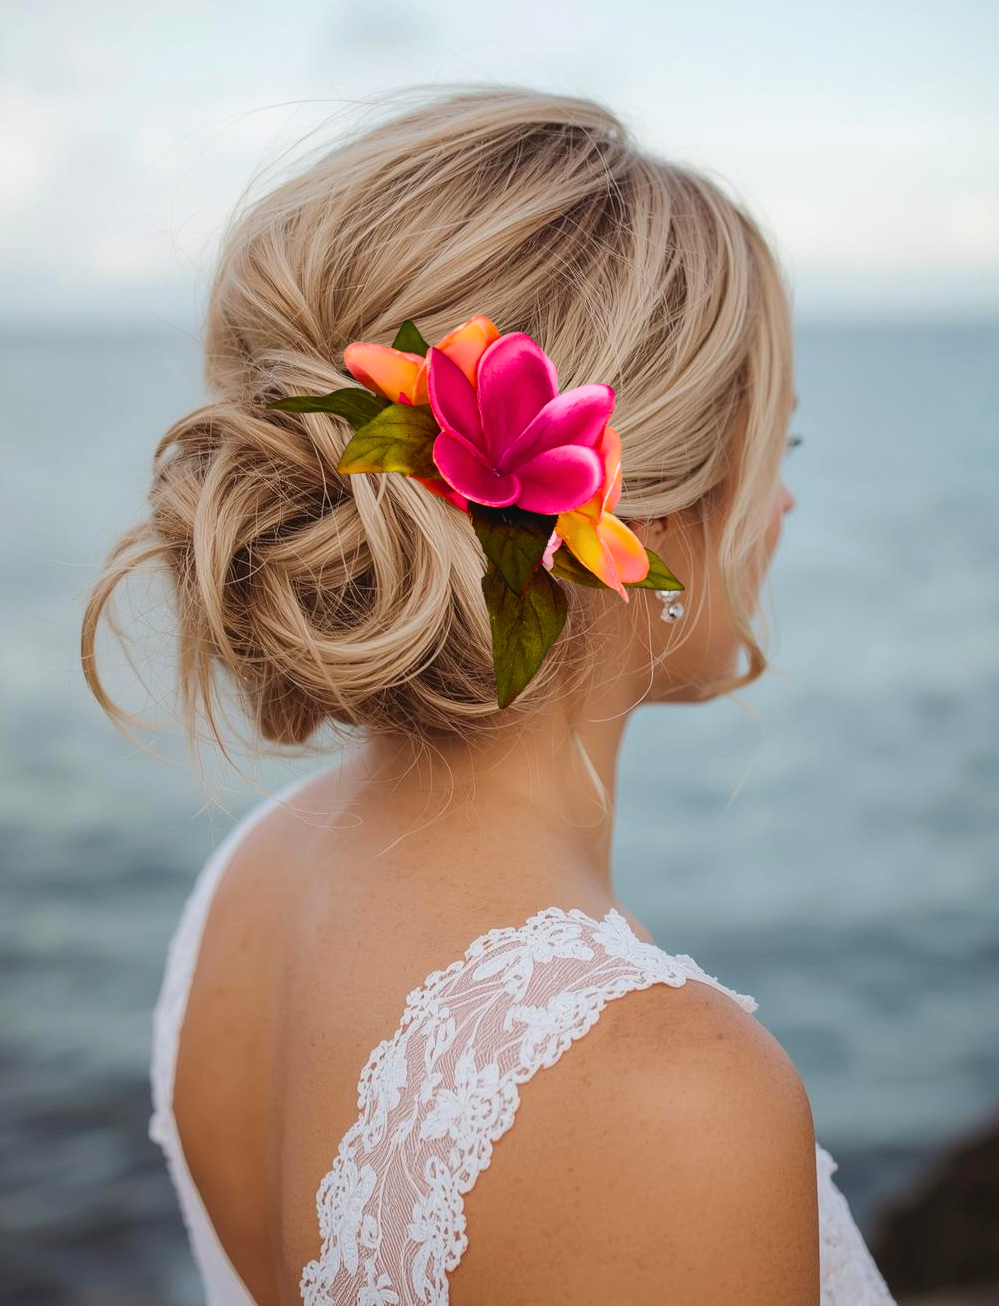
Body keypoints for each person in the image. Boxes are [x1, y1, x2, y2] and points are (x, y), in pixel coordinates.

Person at [81, 84, 896, 1305]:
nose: (780, 506)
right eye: (777, 451)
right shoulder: (670, 1094)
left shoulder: (253, 879)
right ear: (643, 509)